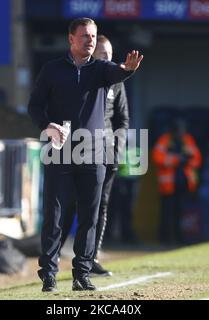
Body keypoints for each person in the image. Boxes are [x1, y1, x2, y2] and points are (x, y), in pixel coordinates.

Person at [28, 17, 143, 292]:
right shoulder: (52, 70)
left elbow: (119, 74)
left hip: (94, 154)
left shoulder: (103, 70)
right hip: (60, 152)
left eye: (93, 36)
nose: (90, 40)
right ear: (71, 39)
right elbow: (34, 106)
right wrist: (47, 125)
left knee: (90, 217)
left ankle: (82, 274)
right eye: (84, 36)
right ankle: (49, 274)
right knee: (55, 216)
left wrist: (127, 69)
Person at [59, 35, 130, 277]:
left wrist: (117, 149)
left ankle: (91, 258)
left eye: (109, 55)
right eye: (102, 55)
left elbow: (122, 118)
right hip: (78, 150)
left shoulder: (118, 82)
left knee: (100, 206)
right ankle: (55, 253)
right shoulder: (81, 76)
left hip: (106, 153)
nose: (107, 60)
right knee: (70, 203)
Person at [152, 119, 202, 245]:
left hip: (184, 184)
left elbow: (197, 159)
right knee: (167, 213)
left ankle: (180, 238)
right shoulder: (165, 140)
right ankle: (165, 238)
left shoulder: (187, 140)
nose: (181, 133)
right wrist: (177, 159)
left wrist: (186, 160)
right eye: (178, 130)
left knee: (181, 213)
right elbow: (157, 158)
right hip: (168, 186)